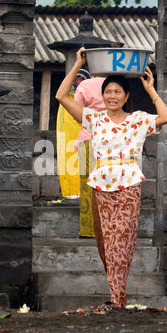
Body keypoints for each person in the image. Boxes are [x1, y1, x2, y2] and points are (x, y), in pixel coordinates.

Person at [56, 47, 167, 308]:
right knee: (107, 243)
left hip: (129, 185)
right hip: (101, 185)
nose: (112, 96)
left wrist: (151, 89)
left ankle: (115, 299)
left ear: (126, 95)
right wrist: (77, 65)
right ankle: (119, 296)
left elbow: (166, 117)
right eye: (108, 91)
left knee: (123, 241)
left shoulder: (138, 120)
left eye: (117, 91)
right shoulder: (94, 119)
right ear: (103, 95)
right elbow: (61, 95)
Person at [74, 76, 106, 237]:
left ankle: (87, 231)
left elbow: (76, 114)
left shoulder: (85, 85)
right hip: (112, 139)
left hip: (88, 138)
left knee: (87, 185)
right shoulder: (119, 82)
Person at [56, 68, 90, 198]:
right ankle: (72, 192)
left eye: (81, 81)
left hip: (85, 139)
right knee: (68, 158)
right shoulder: (66, 100)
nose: (78, 83)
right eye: (76, 81)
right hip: (68, 137)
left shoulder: (89, 101)